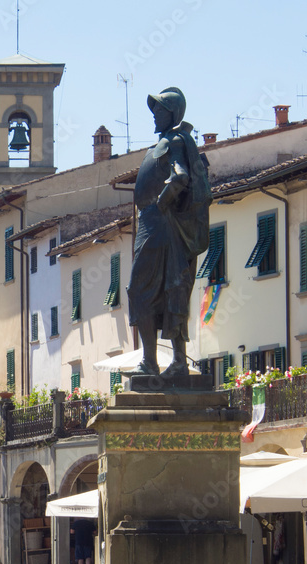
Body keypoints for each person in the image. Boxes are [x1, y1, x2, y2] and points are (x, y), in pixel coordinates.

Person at [127, 86, 211, 378]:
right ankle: (172, 362)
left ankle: (154, 362)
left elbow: (181, 176)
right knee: (168, 289)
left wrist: (161, 204)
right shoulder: (165, 142)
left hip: (158, 224)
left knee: (144, 290)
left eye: (159, 110)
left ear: (172, 114)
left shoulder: (174, 141)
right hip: (153, 222)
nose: (154, 115)